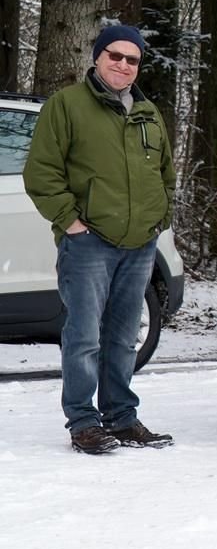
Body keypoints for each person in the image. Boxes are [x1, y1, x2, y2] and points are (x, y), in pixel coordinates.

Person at [25, 24, 177, 454]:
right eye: (115, 55)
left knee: (123, 336)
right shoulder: (67, 105)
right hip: (88, 241)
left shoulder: (147, 111)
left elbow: (165, 172)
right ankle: (83, 423)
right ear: (97, 56)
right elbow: (42, 172)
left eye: (132, 59)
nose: (123, 65)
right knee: (84, 337)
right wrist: (69, 221)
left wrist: (158, 217)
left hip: (139, 243)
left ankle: (122, 418)